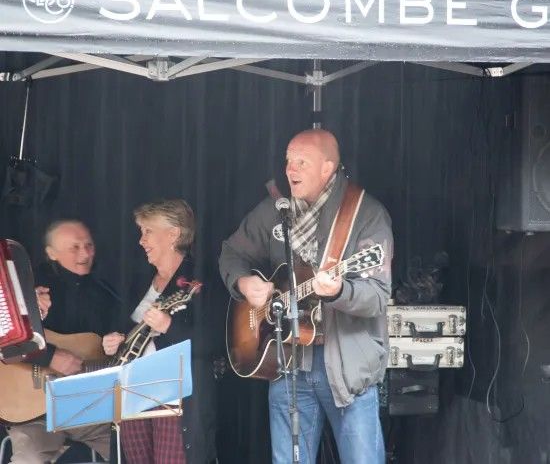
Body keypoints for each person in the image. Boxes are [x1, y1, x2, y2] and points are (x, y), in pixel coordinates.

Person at [219, 129, 393, 464]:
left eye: (301, 161)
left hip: (346, 372)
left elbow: (377, 297)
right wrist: (243, 283)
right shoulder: (276, 210)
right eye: (288, 160)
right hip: (288, 367)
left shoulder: (366, 214)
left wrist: (340, 290)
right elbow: (231, 253)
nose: (290, 169)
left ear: (327, 168)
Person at [103, 198, 214, 464]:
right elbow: (123, 330)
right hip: (131, 392)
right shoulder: (139, 281)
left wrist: (168, 326)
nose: (141, 240)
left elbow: (214, 341)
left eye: (148, 231)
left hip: (173, 394)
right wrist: (112, 341)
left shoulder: (199, 280)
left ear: (174, 234)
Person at [7, 219, 119, 464]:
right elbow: (6, 341)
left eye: (88, 245)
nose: (85, 253)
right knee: (29, 458)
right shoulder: (27, 286)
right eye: (74, 247)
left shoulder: (106, 294)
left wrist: (118, 341)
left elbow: (115, 347)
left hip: (88, 410)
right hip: (34, 414)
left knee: (131, 451)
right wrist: (50, 356)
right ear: (51, 253)